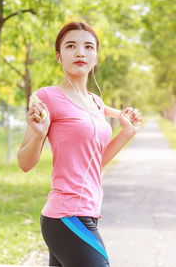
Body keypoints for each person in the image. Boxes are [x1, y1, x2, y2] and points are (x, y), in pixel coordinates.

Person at [17, 21, 142, 267]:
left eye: (88, 47)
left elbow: (96, 161)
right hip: (67, 215)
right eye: (71, 46)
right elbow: (24, 163)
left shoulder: (95, 102)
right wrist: (39, 133)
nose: (80, 52)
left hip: (89, 211)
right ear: (58, 56)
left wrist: (127, 132)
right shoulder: (46, 98)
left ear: (96, 56)